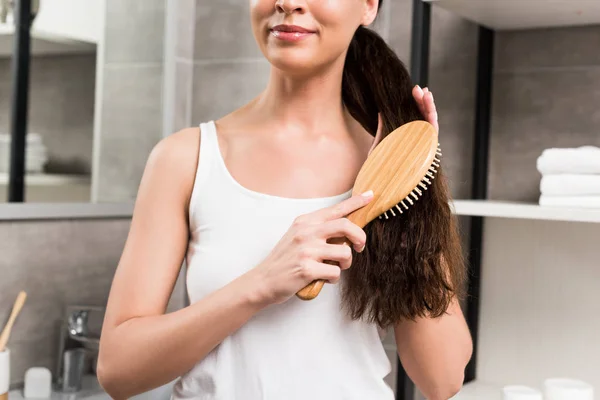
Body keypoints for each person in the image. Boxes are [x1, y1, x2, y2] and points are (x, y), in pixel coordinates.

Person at [97, 0, 473, 399]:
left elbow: (442, 379)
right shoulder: (186, 158)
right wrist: (260, 284)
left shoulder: (385, 169)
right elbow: (119, 370)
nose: (288, 2)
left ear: (367, 6)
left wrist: (414, 187)